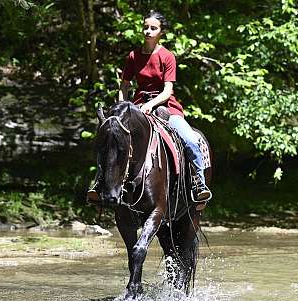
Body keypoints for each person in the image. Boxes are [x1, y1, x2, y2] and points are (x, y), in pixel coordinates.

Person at [87, 11, 212, 204]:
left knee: (190, 140)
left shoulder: (167, 56)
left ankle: (199, 184)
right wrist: (122, 106)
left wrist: (149, 105)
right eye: (146, 27)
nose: (148, 31)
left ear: (161, 32)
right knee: (110, 140)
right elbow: (125, 85)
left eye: (153, 28)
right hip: (136, 108)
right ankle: (99, 183)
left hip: (166, 107)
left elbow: (167, 90)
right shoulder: (133, 56)